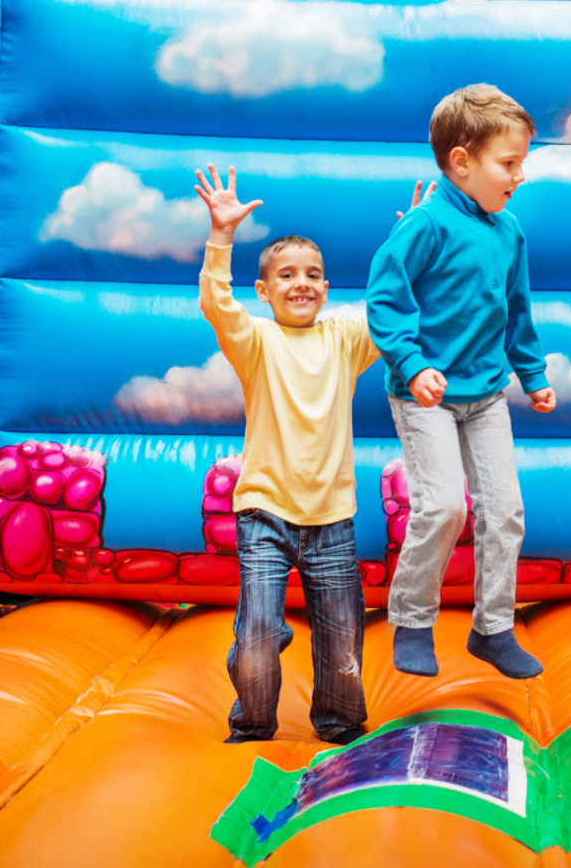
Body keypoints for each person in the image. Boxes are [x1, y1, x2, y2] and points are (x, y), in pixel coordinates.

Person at [366, 84, 555, 680]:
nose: (518, 176)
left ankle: (493, 627)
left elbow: (516, 308)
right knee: (444, 505)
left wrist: (533, 374)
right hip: (428, 398)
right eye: (509, 163)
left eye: (522, 163)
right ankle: (412, 619)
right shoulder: (426, 224)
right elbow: (385, 298)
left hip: (488, 395)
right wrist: (412, 364)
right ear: (461, 161)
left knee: (505, 512)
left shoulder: (509, 231)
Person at [196, 162, 379, 745]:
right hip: (264, 515)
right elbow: (216, 304)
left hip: (332, 521)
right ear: (265, 289)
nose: (301, 283)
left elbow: (397, 312)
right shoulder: (256, 341)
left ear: (327, 289)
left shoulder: (345, 339)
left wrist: (414, 242)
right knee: (256, 636)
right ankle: (252, 726)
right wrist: (221, 235)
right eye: (287, 274)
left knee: (343, 641)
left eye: (314, 275)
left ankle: (339, 723)